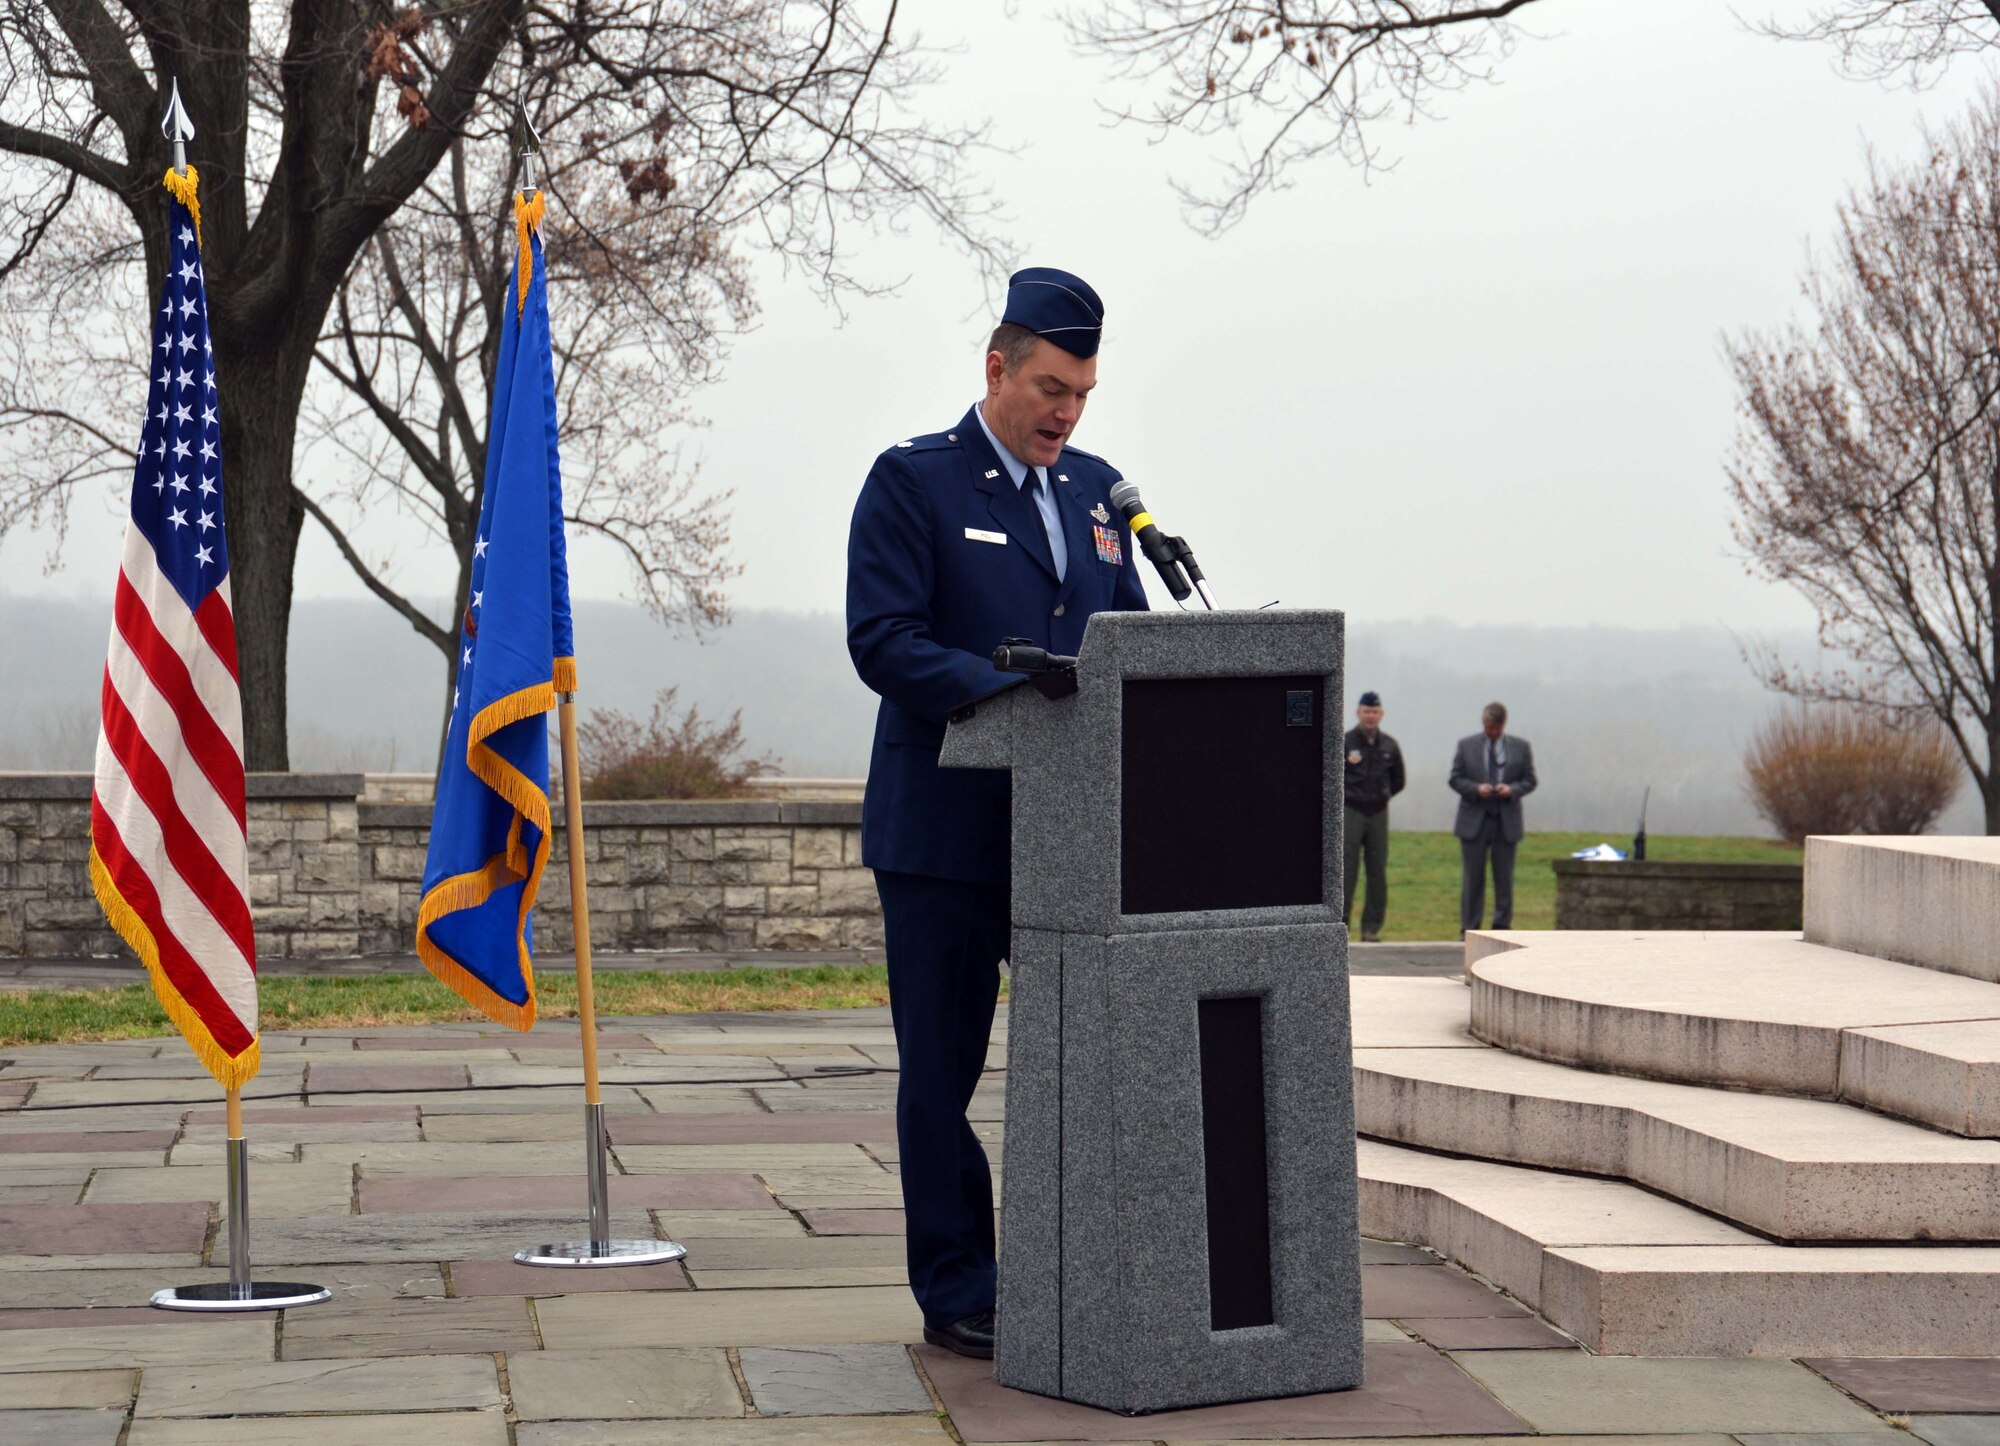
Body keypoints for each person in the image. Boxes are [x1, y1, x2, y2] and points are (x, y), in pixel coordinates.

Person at [845, 268, 1148, 1360]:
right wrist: (1007, 686)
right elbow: (881, 640)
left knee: (1090, 1058)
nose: (1066, 413)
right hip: (945, 838)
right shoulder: (914, 483)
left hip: (1069, 832)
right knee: (943, 1073)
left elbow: (1130, 645)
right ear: (996, 369)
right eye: (1051, 388)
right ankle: (959, 1284)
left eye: (1083, 393)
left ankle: (1080, 1260)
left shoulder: (1099, 494)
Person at [1449, 701, 1538, 934]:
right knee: (1472, 878)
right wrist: (1476, 789)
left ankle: (1501, 926)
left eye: (1496, 729)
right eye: (1489, 728)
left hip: (1506, 821)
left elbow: (1530, 780)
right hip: (1474, 820)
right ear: (1483, 723)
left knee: (1504, 878)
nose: (1492, 732)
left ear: (1503, 725)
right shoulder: (1466, 746)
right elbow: (1455, 778)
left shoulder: (1521, 747)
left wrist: (1512, 790)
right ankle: (1469, 927)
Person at [1342, 690, 1404, 942]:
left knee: (1377, 870)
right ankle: (1341, 925)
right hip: (1351, 810)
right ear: (1358, 713)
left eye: (1375, 711)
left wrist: (1383, 795)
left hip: (1378, 812)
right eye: (1366, 711)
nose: (1370, 716)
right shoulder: (1346, 742)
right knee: (1346, 869)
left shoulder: (1389, 744)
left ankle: (1371, 927)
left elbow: (1399, 779)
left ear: (1381, 714)